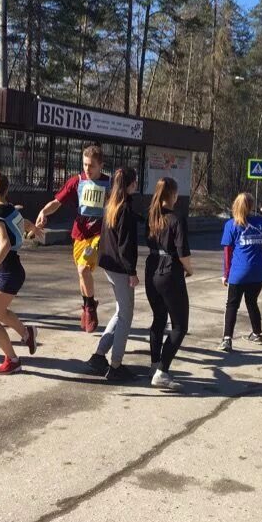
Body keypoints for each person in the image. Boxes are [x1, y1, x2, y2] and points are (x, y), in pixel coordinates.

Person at [36, 144, 110, 333]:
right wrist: (44, 211)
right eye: (85, 164)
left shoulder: (108, 184)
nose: (87, 169)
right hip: (80, 233)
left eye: (92, 165)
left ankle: (90, 309)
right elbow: (57, 202)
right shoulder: (76, 181)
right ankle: (87, 304)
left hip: (97, 234)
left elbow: (117, 207)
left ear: (101, 165)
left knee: (83, 268)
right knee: (81, 273)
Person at [0, 170, 40, 374]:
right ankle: (26, 333)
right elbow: (25, 223)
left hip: (6, 272)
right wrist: (34, 229)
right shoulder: (11, 210)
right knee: (0, 312)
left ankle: (12, 360)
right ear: (7, 190)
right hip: (10, 270)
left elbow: (4, 244)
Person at [86, 167, 141, 382]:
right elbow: (125, 244)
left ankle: (99, 356)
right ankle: (116, 365)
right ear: (128, 184)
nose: (136, 184)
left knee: (121, 311)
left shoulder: (111, 204)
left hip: (109, 264)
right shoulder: (124, 208)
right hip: (120, 268)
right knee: (126, 316)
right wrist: (132, 272)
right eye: (134, 181)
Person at [145, 177, 192, 391]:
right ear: (172, 195)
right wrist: (189, 269)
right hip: (169, 273)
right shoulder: (175, 218)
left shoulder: (152, 216)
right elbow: (182, 252)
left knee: (158, 318)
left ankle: (155, 363)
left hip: (151, 269)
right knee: (180, 326)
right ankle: (162, 371)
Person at [219, 192, 262, 352]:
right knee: (252, 301)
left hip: (239, 272)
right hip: (258, 271)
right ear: (251, 206)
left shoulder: (231, 225)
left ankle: (227, 339)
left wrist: (226, 273)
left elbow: (227, 252)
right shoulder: (260, 222)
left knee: (232, 304)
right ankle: (257, 333)